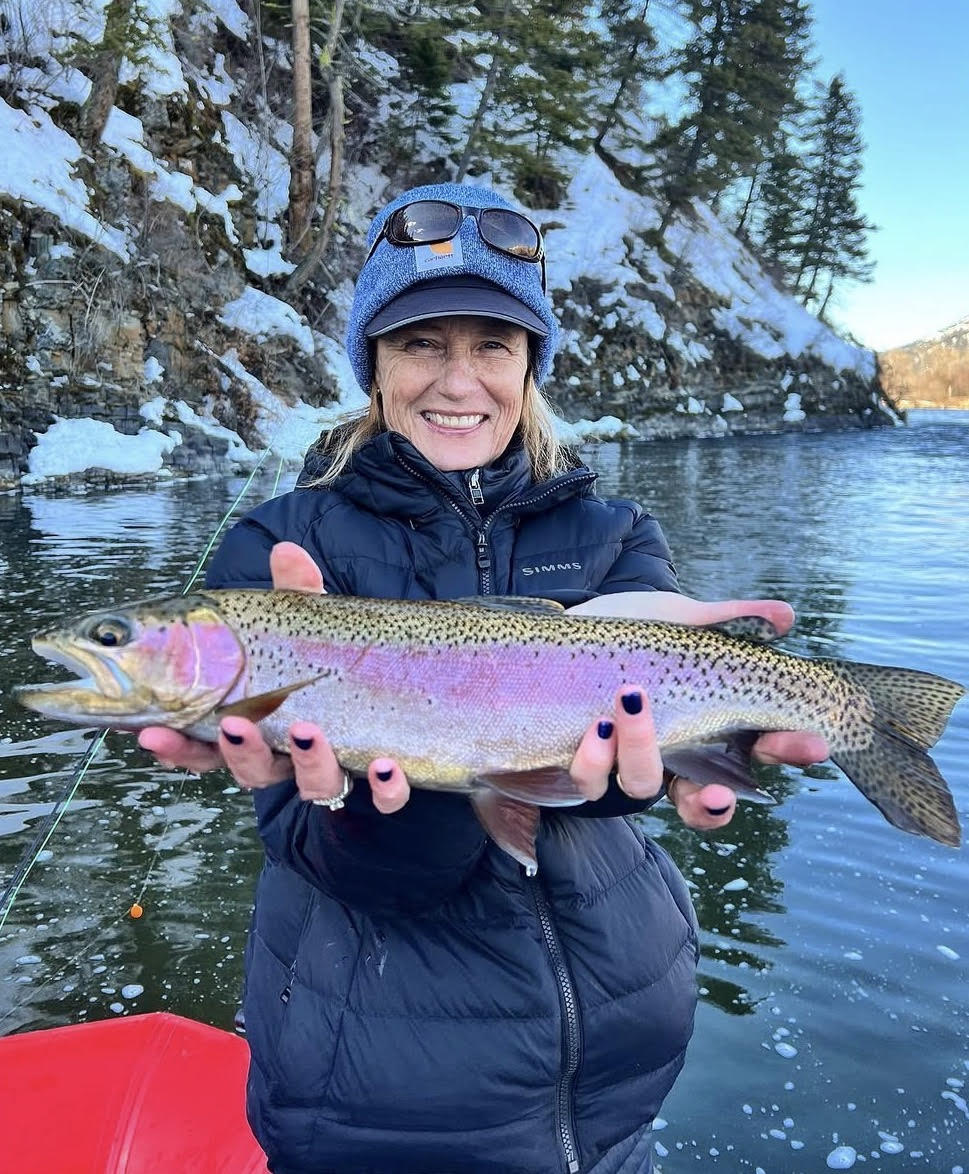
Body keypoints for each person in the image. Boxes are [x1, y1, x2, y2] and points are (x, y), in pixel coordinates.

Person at [140, 183, 826, 1174]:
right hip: (377, 1103)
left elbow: (626, 768)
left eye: (494, 345)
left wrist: (663, 758)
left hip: (613, 1082)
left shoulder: (615, 531)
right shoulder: (278, 545)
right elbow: (303, 836)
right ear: (372, 362)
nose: (459, 380)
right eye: (422, 342)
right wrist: (408, 798)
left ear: (530, 366)